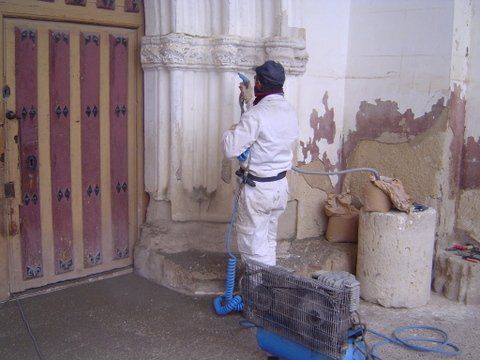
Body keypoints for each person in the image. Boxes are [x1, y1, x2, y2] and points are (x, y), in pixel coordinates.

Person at [222, 60, 299, 266]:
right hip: (279, 188)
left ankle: (257, 294)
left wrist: (230, 131)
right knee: (267, 240)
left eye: (256, 82)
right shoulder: (290, 111)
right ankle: (267, 288)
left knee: (253, 247)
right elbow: (264, 127)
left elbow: (230, 148)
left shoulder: (256, 115)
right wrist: (249, 102)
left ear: (260, 85)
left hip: (258, 192)